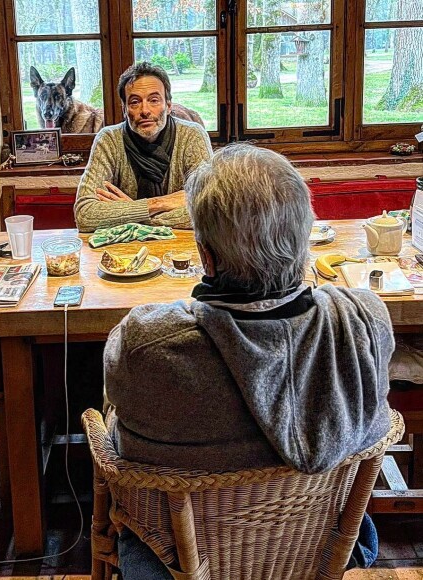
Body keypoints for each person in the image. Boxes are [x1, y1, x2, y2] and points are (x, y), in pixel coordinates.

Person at [104, 143, 395, 577]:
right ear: (304, 239)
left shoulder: (145, 344)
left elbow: (116, 427)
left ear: (206, 256)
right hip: (324, 547)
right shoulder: (365, 320)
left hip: (176, 558)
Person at [74, 62, 213, 233]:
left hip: (180, 249)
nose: (145, 110)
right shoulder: (109, 139)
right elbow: (85, 215)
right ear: (124, 109)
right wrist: (156, 204)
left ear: (168, 106)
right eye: (134, 102)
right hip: (122, 252)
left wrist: (128, 212)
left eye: (154, 100)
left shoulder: (192, 135)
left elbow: (209, 210)